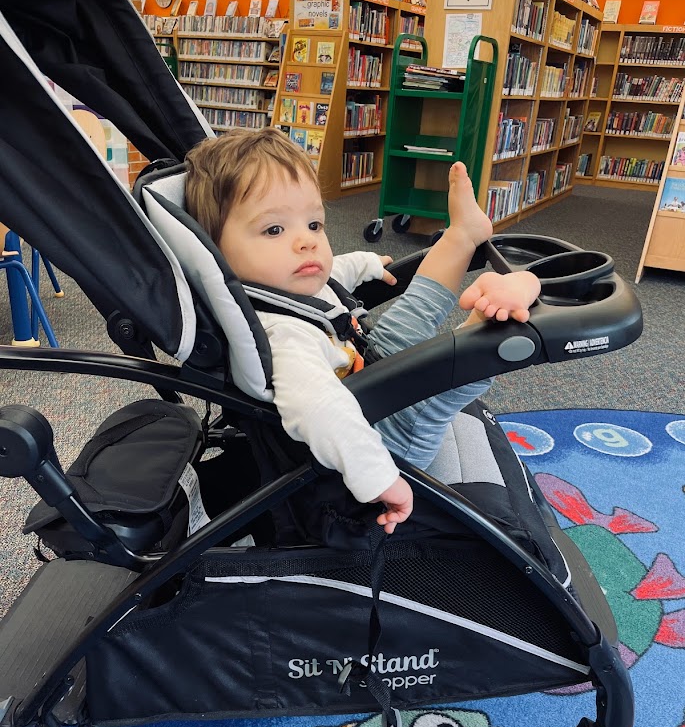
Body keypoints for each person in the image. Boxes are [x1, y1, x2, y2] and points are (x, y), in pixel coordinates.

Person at [185, 128, 541, 534]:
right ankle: (498, 312)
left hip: (365, 361)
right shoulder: (282, 338)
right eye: (274, 230)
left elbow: (331, 273)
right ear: (215, 253)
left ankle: (463, 234)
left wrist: (364, 263)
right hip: (388, 432)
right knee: (454, 366)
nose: (306, 242)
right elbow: (322, 411)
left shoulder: (277, 282)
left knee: (415, 307)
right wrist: (379, 479)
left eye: (314, 223)